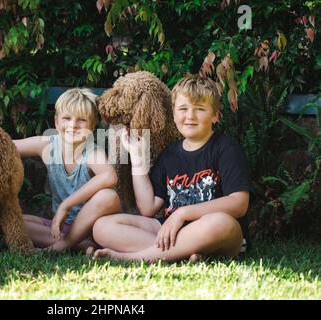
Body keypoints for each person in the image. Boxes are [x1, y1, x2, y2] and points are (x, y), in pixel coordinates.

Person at [92, 74, 251, 262]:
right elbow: (148, 208)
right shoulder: (170, 155)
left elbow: (239, 204)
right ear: (174, 114)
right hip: (170, 229)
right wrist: (137, 159)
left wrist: (183, 214)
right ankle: (183, 253)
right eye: (183, 108)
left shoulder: (225, 148)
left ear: (215, 115)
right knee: (102, 226)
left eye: (199, 109)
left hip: (212, 231)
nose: (190, 116)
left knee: (221, 222)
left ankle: (136, 257)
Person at [13, 88, 121, 254]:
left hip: (93, 225)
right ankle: (78, 244)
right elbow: (5, 146)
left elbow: (109, 176)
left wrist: (66, 205)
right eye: (67, 118)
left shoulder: (92, 152)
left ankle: (58, 248)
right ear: (56, 122)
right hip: (62, 228)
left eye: (82, 120)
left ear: (92, 126)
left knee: (108, 196)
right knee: (13, 221)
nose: (73, 125)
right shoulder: (47, 145)